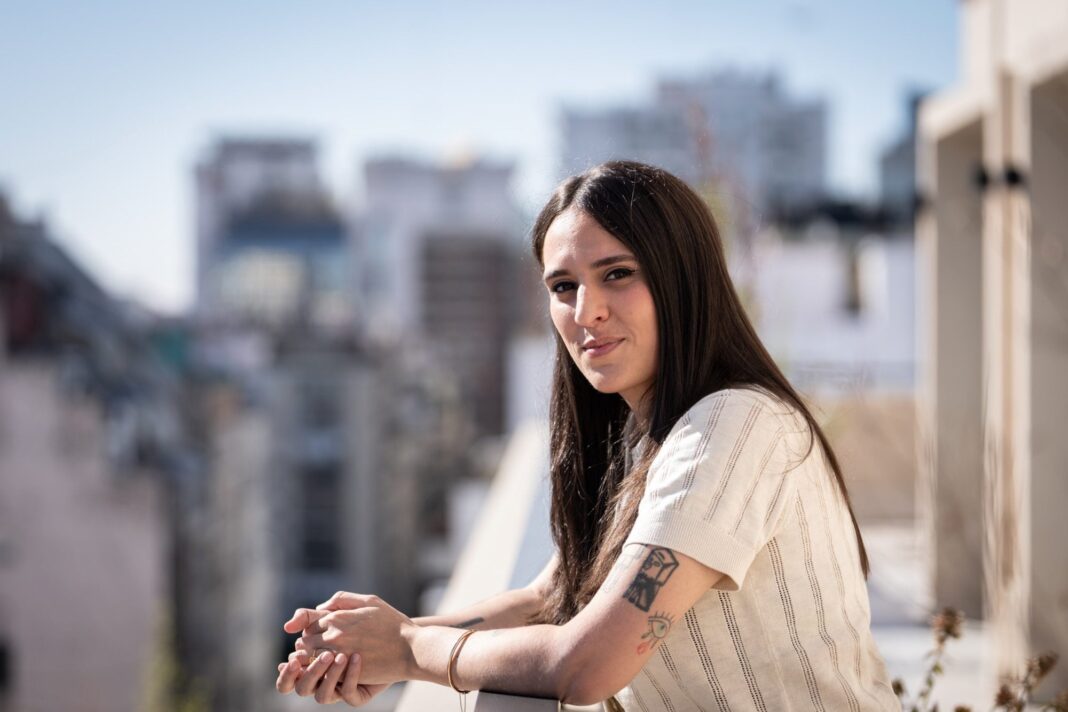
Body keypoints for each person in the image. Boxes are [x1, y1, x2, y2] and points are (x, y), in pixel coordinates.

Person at [275, 160, 901, 710]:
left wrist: (412, 649)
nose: (586, 312)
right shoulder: (643, 438)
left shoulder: (732, 428)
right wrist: (379, 642)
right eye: (563, 286)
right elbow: (549, 598)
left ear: (683, 279)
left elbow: (584, 666)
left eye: (618, 273)